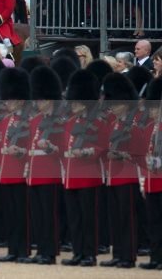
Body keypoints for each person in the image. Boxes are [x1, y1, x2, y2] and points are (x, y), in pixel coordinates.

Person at [18, 67, 65, 265]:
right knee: (37, 215)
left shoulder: (57, 120)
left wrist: (51, 147)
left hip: (50, 173)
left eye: (42, 99)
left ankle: (50, 251)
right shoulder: (35, 120)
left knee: (49, 215)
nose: (38, 103)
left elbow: (62, 148)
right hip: (34, 173)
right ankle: (40, 250)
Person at [60, 70, 104, 267]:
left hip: (88, 176)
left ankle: (89, 254)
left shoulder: (95, 122)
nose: (73, 105)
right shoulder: (70, 122)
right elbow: (63, 146)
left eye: (76, 102)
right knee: (74, 218)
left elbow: (101, 146)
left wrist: (85, 153)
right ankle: (78, 252)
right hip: (70, 176)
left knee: (88, 218)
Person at [99, 74, 140, 268]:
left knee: (127, 217)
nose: (113, 107)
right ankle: (118, 253)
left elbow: (139, 147)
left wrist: (122, 154)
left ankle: (128, 255)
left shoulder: (134, 121)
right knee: (115, 217)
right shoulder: (113, 121)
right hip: (112, 174)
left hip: (128, 175)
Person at [0, 68, 32, 263]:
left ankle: (23, 249)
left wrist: (20, 152)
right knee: (10, 213)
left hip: (21, 172)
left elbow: (29, 146)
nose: (8, 102)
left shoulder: (27, 120)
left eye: (11, 99)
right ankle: (13, 248)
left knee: (21, 213)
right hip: (6, 172)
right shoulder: (6, 120)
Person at [137, 78, 162, 270]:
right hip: (153, 182)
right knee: (153, 223)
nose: (153, 112)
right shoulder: (151, 127)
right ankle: (156, 258)